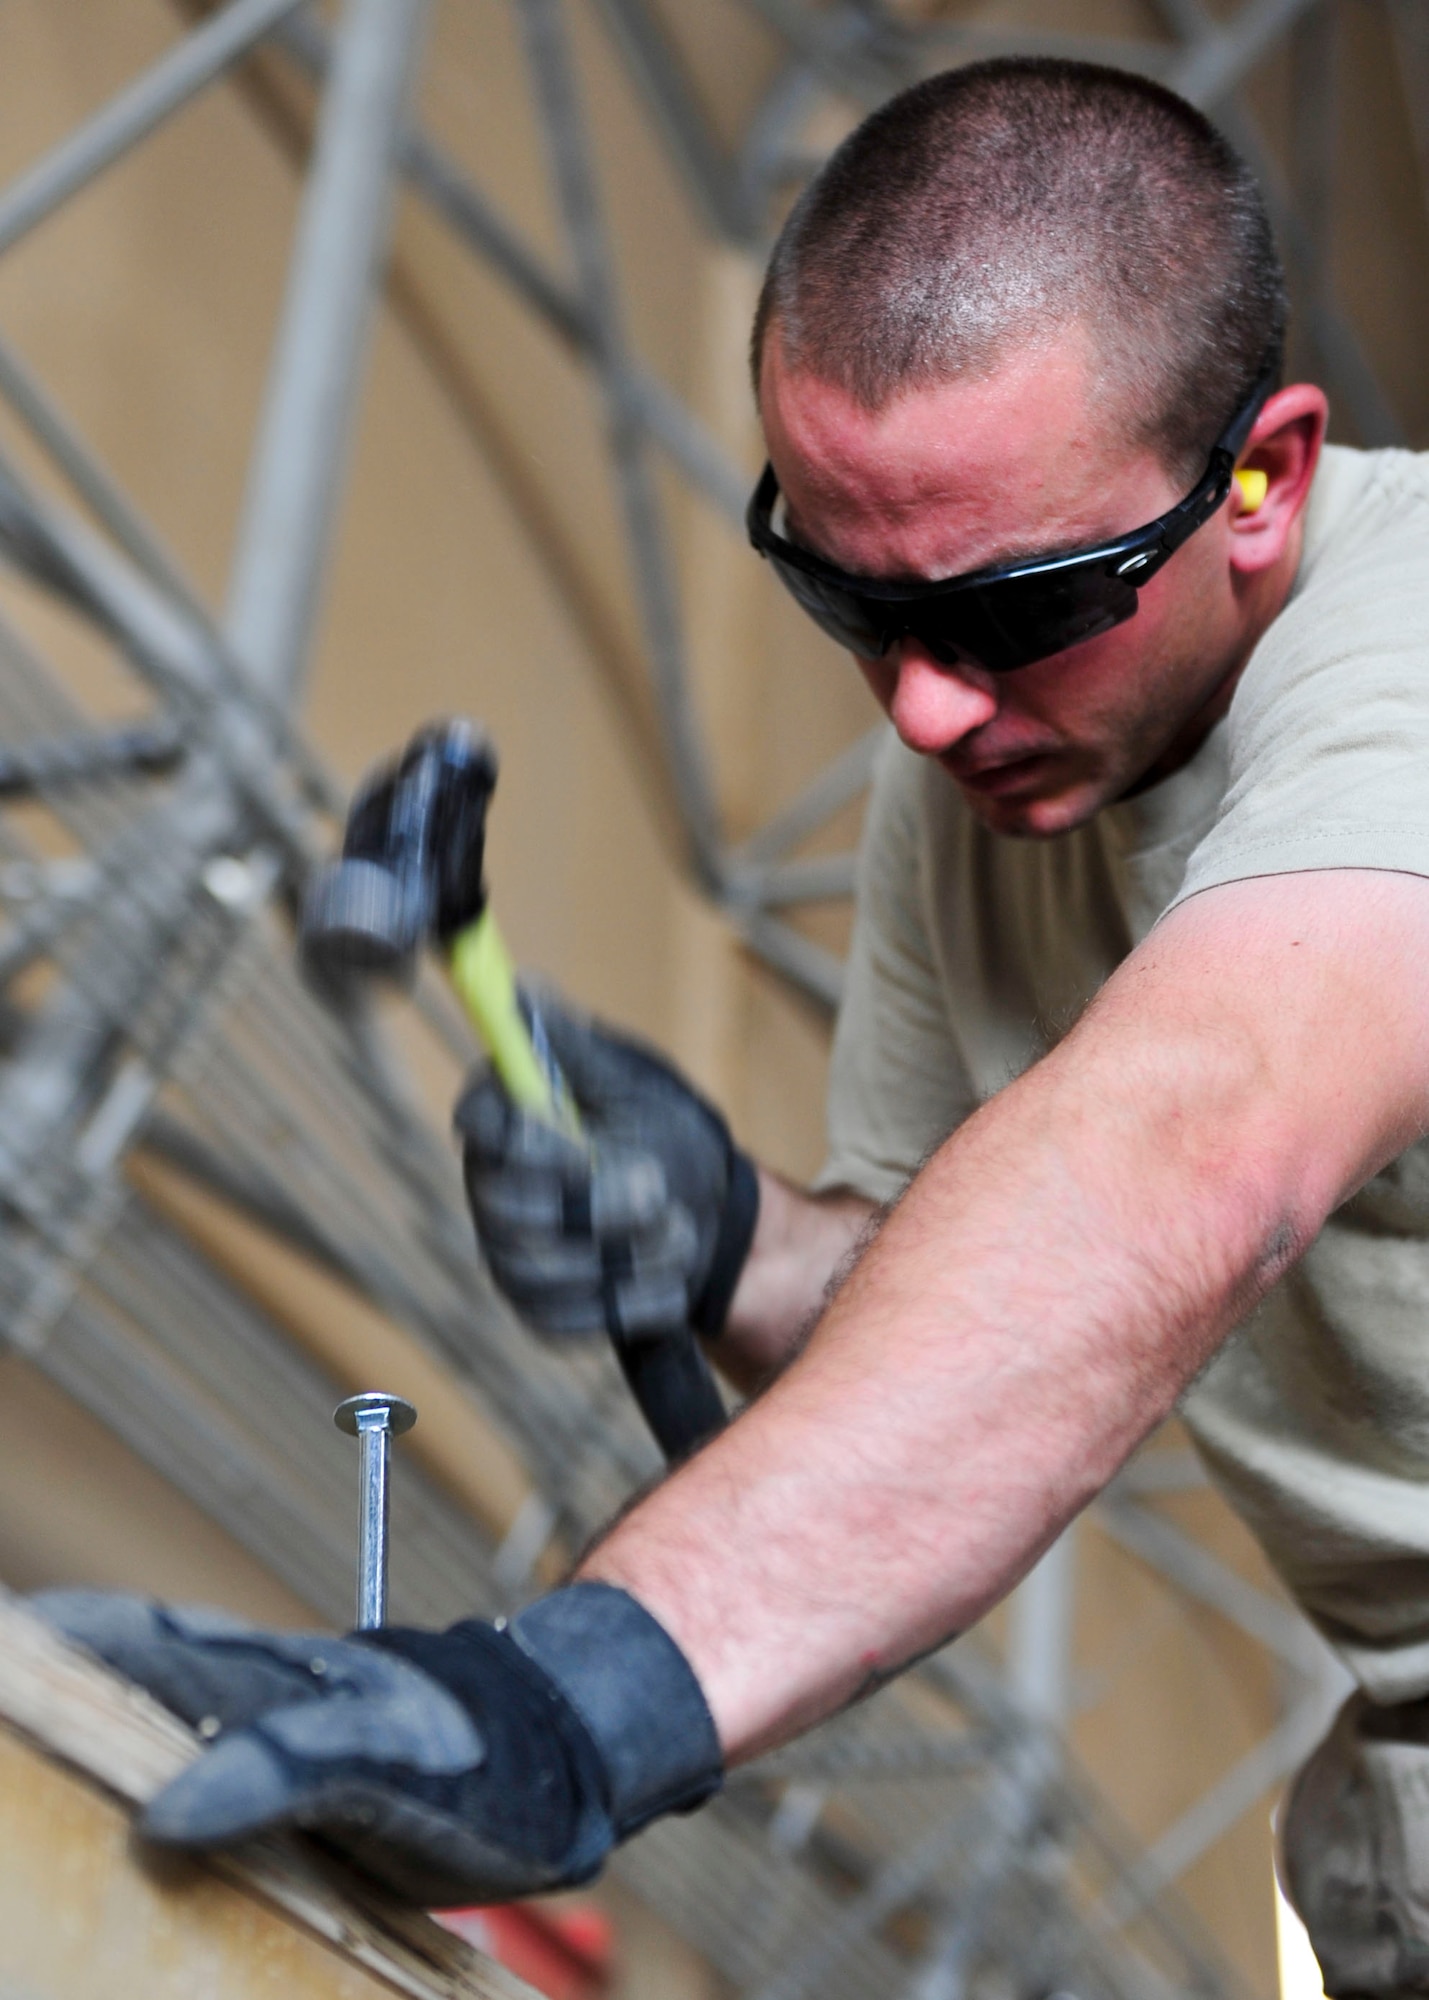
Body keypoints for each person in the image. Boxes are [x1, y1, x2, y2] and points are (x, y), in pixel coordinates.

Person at [38, 57, 1429, 1995]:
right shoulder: (983, 765)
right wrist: (733, 1238)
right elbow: (948, 1322)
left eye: (1015, 608)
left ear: (1261, 477)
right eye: (843, 595)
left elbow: (1193, 1147)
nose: (925, 708)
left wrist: (582, 1696)